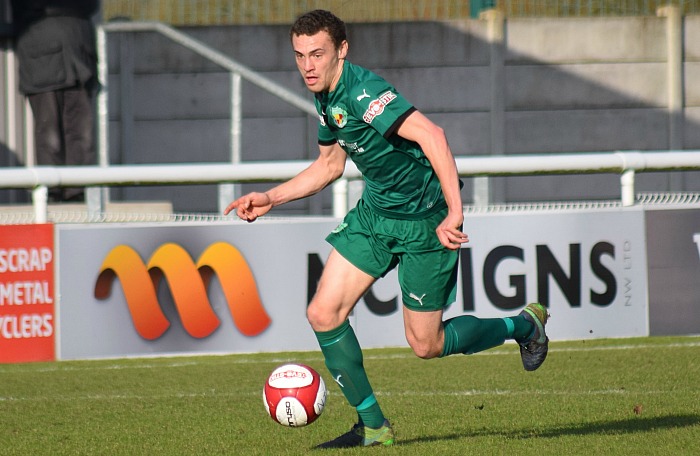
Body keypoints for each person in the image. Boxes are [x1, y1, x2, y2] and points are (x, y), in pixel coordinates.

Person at [225, 9, 550, 448]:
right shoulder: (326, 95)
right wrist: (270, 198)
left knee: (426, 344)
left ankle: (522, 326)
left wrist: (455, 212)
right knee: (323, 313)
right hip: (376, 217)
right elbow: (329, 165)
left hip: (424, 224)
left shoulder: (364, 93)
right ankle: (373, 426)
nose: (307, 65)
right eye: (300, 55)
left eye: (317, 54)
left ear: (342, 50)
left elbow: (432, 135)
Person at [11, 0, 99, 202]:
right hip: (42, 61)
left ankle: (79, 195)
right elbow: (30, 7)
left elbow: (91, 6)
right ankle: (53, 197)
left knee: (83, 136)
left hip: (78, 59)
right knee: (49, 137)